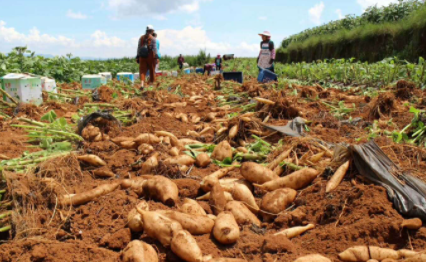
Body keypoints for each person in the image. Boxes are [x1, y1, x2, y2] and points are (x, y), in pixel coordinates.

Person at [136, 25, 158, 89]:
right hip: (150, 56)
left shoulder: (141, 38)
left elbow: (139, 48)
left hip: (142, 56)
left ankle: (142, 84)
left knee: (142, 70)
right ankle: (151, 85)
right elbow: (154, 48)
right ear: (152, 31)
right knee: (152, 70)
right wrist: (156, 57)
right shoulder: (153, 38)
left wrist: (137, 56)